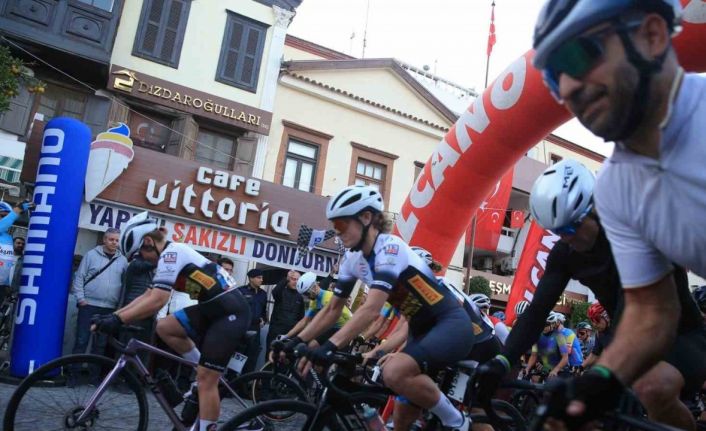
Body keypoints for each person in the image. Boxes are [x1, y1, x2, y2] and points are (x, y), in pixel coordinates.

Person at [476, 159, 706, 428]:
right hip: (625, 335)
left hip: (680, 334)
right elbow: (537, 312)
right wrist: (503, 361)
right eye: (557, 231)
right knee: (561, 416)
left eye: (570, 228)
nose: (566, 238)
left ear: (594, 209)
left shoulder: (634, 232)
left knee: (651, 388)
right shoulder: (565, 252)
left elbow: (633, 307)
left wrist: (602, 376)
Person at [282, 185, 476, 431]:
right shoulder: (352, 260)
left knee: (394, 373)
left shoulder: (390, 248)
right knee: (401, 420)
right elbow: (332, 310)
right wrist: (294, 340)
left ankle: (457, 422)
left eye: (341, 225)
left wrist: (330, 345)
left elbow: (371, 309)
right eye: (334, 227)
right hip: (420, 331)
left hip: (449, 324)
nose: (337, 232)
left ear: (366, 218)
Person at [90, 212, 250, 431]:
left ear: (148, 242)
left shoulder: (172, 253)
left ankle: (205, 392)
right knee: (165, 327)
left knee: (207, 380)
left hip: (230, 313)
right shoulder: (167, 256)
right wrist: (115, 316)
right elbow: (148, 294)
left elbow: (158, 300)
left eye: (139, 255)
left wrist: (118, 319)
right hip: (212, 309)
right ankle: (202, 373)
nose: (140, 260)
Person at [71, 227, 128, 359]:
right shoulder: (91, 255)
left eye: (117, 240)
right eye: (111, 239)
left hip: (109, 309)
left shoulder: (123, 261)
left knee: (100, 345)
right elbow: (79, 277)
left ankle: (94, 377)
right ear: (104, 239)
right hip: (88, 305)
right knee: (81, 340)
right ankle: (73, 375)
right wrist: (81, 299)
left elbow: (124, 285)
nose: (114, 242)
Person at [283, 271, 352, 345]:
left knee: (312, 345)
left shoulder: (327, 299)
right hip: (334, 328)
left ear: (314, 287)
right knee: (310, 345)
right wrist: (286, 336)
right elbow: (304, 321)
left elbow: (321, 325)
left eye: (307, 293)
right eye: (304, 294)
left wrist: (299, 339)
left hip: (345, 328)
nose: (307, 297)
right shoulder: (315, 301)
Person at [265, 270, 305, 358]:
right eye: (293, 279)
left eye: (297, 279)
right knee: (271, 358)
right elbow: (275, 292)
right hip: (276, 333)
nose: (295, 282)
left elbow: (301, 318)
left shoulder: (300, 297)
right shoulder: (281, 292)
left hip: (291, 334)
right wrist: (286, 279)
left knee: (286, 360)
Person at [237, 268, 268, 374]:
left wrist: (263, 319)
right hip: (243, 327)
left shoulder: (263, 294)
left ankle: (244, 384)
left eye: (262, 278)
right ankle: (231, 381)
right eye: (259, 278)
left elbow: (264, 310)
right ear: (251, 278)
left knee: (252, 355)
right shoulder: (241, 291)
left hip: (256, 328)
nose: (261, 280)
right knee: (239, 354)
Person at [0, 201, 31, 300]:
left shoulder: (8, 238)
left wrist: (7, 285)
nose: (5, 219)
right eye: (2, 216)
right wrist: (16, 211)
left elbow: (8, 265)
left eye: (7, 216)